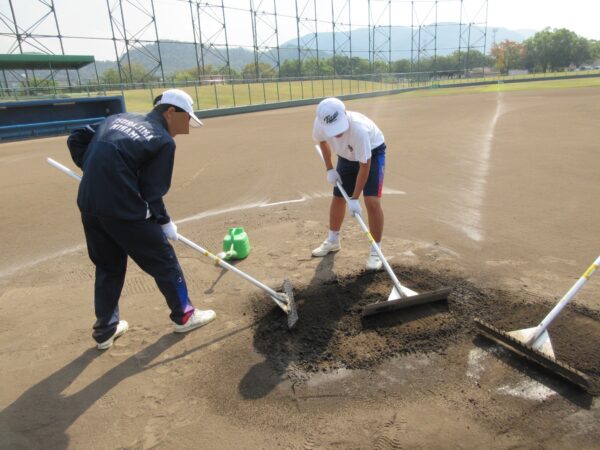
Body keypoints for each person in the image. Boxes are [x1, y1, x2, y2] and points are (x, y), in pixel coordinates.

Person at [67, 88, 216, 350]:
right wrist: (164, 221)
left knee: (108, 268)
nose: (188, 126)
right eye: (186, 118)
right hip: (125, 212)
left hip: (90, 205)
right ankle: (185, 315)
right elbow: (152, 192)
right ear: (171, 112)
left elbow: (77, 138)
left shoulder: (118, 119)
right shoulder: (162, 140)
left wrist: (95, 172)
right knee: (165, 262)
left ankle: (105, 331)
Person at [311, 97, 387, 271]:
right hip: (345, 155)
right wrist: (330, 169)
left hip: (372, 153)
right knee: (338, 197)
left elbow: (364, 165)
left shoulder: (359, 129)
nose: (337, 133)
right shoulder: (319, 124)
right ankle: (333, 240)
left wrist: (354, 198)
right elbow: (322, 142)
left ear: (344, 114)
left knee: (372, 201)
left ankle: (376, 250)